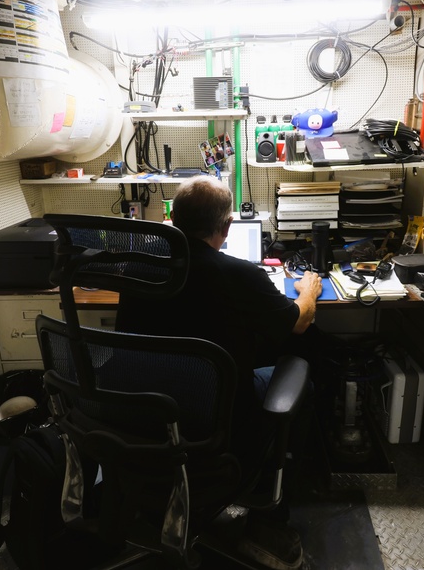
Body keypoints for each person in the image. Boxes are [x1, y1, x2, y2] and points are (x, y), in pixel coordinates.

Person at [116, 176, 321, 570]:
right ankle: (267, 516)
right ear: (226, 228)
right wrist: (307, 289)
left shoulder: (139, 268)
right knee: (299, 378)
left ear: (173, 218)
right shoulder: (240, 274)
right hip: (216, 425)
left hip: (142, 417)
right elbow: (298, 323)